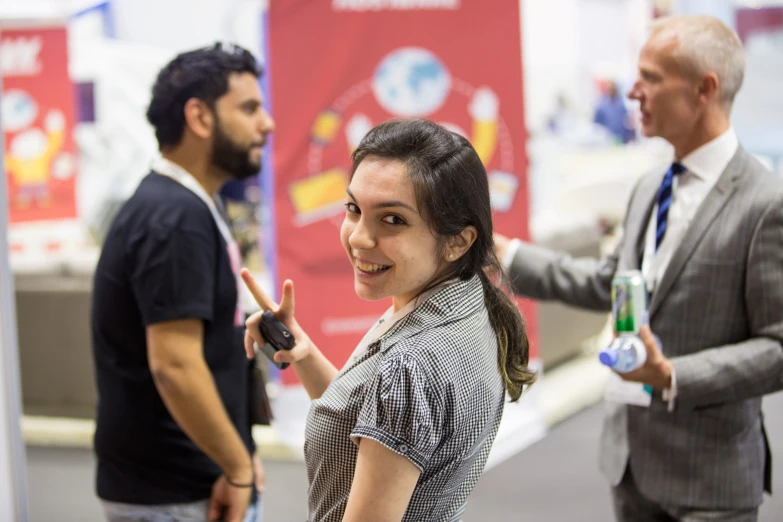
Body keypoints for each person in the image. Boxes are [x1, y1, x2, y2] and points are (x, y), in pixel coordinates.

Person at [497, 15, 783, 522]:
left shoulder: (766, 203)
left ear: (704, 89)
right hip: (630, 463)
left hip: (710, 480)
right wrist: (509, 255)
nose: (633, 92)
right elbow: (609, 284)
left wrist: (672, 374)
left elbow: (778, 347)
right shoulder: (651, 187)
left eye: (651, 77)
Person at [241, 118, 536, 521]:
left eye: (392, 220)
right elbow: (373, 423)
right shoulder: (463, 301)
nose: (360, 237)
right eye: (354, 209)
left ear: (457, 241)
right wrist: (302, 352)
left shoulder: (411, 363)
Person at [91, 42, 275, 522]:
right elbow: (174, 363)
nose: (266, 124)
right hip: (176, 495)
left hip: (186, 485)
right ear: (200, 117)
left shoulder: (189, 205)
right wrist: (236, 468)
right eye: (250, 108)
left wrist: (240, 450)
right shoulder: (175, 218)